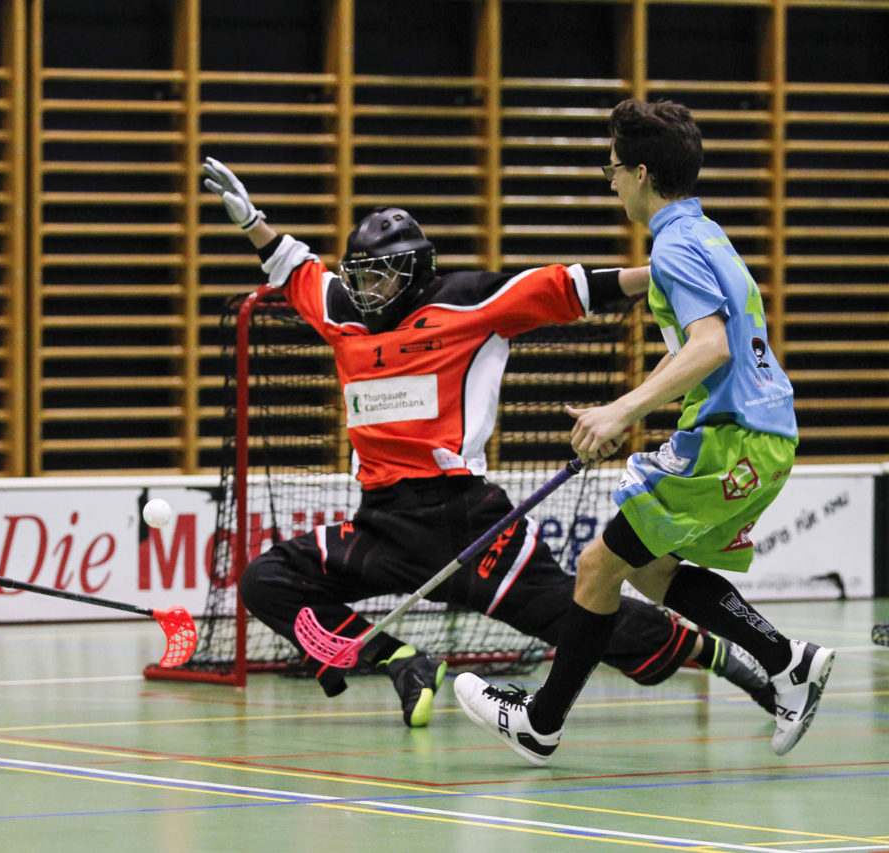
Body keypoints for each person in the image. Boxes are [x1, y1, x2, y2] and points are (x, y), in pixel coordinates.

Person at [201, 157, 774, 729]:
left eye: (381, 275)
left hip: (464, 522)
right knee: (267, 582)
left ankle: (712, 652)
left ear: (414, 270)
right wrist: (252, 220)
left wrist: (670, 274)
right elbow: (296, 270)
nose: (368, 288)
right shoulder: (345, 314)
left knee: (578, 619)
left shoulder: (467, 302)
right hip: (380, 527)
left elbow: (574, 287)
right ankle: (402, 661)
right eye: (361, 276)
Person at [455, 99, 836, 766]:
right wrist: (621, 407)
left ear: (638, 173)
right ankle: (787, 660)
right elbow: (698, 349)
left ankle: (541, 722)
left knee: (600, 565)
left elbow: (712, 345)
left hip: (731, 438)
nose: (610, 183)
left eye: (611, 169)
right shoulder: (707, 234)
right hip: (760, 437)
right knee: (654, 570)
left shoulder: (675, 246)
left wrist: (622, 412)